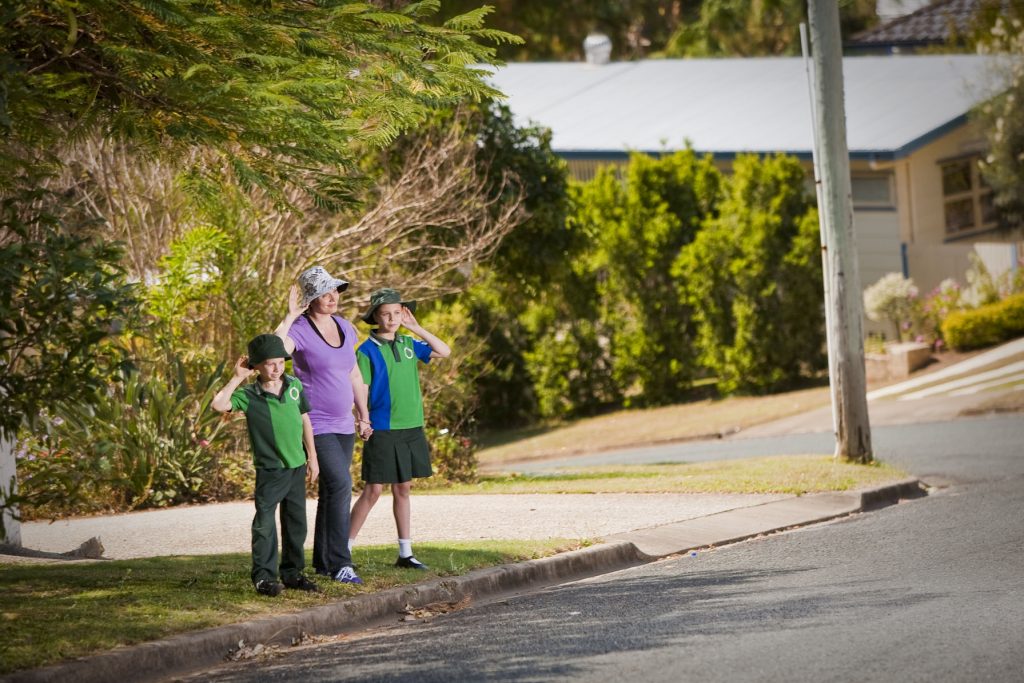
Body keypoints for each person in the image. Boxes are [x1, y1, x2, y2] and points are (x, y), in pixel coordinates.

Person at [274, 266, 370, 585]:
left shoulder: (345, 326)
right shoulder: (300, 329)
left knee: (333, 491)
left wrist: (364, 414)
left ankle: (325, 562)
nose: (332, 297)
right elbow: (274, 352)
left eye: (335, 291)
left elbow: (353, 374)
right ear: (311, 299)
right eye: (324, 292)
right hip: (315, 423)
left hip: (344, 424)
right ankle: (342, 562)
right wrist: (289, 316)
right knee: (341, 485)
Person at [211, 334, 321, 597]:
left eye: (280, 362)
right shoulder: (248, 395)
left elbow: (304, 419)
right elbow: (218, 405)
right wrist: (238, 377)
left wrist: (312, 457)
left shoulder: (294, 385)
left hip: (296, 466)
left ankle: (293, 573)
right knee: (264, 525)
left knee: (296, 523)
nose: (276, 368)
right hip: (270, 470)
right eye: (269, 363)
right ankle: (263, 577)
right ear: (256, 366)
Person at [349, 288, 451, 570]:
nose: (392, 318)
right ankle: (342, 550)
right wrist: (363, 419)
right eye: (386, 314)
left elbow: (444, 351)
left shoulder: (409, 343)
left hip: (411, 427)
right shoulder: (366, 350)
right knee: (373, 490)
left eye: (397, 313)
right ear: (375, 317)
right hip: (382, 427)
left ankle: (405, 553)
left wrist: (416, 327)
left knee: (404, 488)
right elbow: (362, 388)